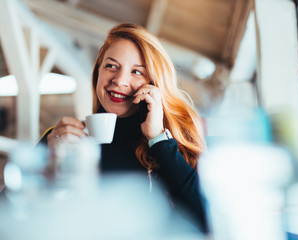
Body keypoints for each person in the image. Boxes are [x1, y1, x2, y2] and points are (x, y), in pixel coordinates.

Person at [39, 23, 208, 233]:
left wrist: (157, 139)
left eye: (136, 72)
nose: (119, 80)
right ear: (98, 72)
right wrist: (46, 160)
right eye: (111, 66)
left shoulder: (172, 141)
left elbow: (208, 220)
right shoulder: (60, 139)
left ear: (153, 84)